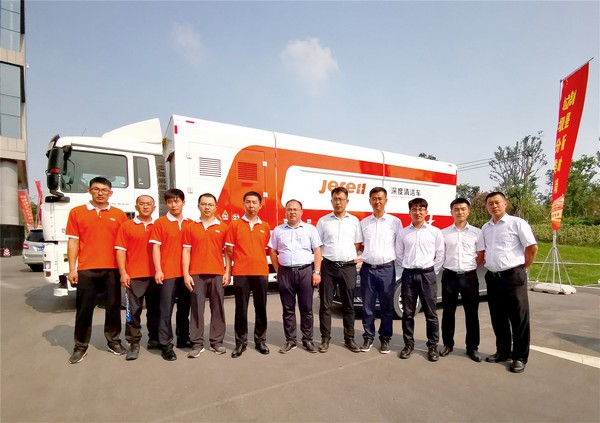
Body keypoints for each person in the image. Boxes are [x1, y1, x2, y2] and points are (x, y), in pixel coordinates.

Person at [66, 176, 128, 364]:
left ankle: (114, 342)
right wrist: (72, 269)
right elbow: (73, 242)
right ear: (89, 191)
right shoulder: (77, 212)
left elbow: (124, 245)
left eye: (104, 190)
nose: (100, 193)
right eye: (96, 189)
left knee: (113, 308)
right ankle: (80, 346)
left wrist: (125, 270)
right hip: (87, 269)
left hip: (112, 269)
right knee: (84, 310)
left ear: (110, 193)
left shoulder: (119, 215)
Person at [482, 191, 538, 373]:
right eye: (490, 203)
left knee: (518, 318)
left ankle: (520, 357)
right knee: (498, 318)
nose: (494, 206)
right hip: (493, 277)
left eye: (497, 202)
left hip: (513, 276)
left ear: (505, 203)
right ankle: (503, 352)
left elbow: (532, 247)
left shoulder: (517, 223)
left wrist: (523, 267)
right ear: (486, 206)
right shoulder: (486, 228)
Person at [269, 199, 323, 354]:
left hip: (305, 272)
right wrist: (278, 270)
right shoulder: (278, 230)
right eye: (289, 209)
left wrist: (317, 272)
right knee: (288, 309)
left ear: (301, 212)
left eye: (295, 209)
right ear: (286, 212)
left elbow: (317, 250)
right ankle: (290, 340)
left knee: (306, 308)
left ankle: (308, 340)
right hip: (285, 273)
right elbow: (272, 251)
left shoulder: (310, 229)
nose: (292, 212)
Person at [395, 197, 445, 362]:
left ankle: (432, 346)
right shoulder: (403, 233)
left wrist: (432, 271)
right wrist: (408, 265)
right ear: (409, 212)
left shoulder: (435, 232)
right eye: (414, 209)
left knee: (431, 313)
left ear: (426, 212)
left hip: (427, 275)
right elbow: (399, 254)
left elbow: (440, 254)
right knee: (408, 313)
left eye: (421, 209)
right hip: (409, 275)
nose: (418, 212)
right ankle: (408, 344)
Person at [182, 193, 230, 358]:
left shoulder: (223, 227)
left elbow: (227, 252)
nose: (207, 207)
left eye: (210, 204)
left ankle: (217, 342)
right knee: (196, 309)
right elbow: (186, 251)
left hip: (217, 273)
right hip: (196, 274)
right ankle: (197, 343)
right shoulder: (190, 227)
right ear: (198, 206)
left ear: (216, 207)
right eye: (203, 204)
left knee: (217, 308)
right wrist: (186, 274)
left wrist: (227, 272)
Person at [316, 186, 363, 353]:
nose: (338, 202)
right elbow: (318, 245)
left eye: (341, 199)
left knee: (349, 305)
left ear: (347, 201)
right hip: (328, 266)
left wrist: (346, 256)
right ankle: (325, 338)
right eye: (335, 199)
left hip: (348, 267)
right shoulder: (323, 221)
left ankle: (349, 338)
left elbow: (357, 244)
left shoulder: (354, 221)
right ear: (331, 201)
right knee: (325, 305)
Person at [225, 191, 271, 358]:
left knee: (261, 308)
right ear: (243, 204)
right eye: (248, 202)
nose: (251, 205)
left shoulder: (265, 226)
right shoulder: (234, 225)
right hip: (241, 272)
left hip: (260, 272)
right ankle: (240, 343)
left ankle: (260, 341)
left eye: (254, 202)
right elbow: (229, 250)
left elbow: (266, 249)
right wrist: (234, 267)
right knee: (241, 309)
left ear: (260, 205)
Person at [114, 195, 160, 361]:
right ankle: (134, 343)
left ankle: (154, 339)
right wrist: (123, 273)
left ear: (154, 208)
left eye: (149, 204)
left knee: (156, 310)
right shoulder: (127, 226)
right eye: (142, 204)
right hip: (134, 276)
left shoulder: (159, 225)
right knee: (133, 311)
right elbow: (120, 250)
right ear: (136, 207)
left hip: (156, 276)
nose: (145, 207)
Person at [439, 198, 485, 362]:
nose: (460, 212)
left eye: (463, 209)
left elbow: (480, 255)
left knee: (471, 313)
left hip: (469, 277)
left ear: (468, 211)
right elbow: (440, 254)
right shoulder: (443, 233)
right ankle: (447, 344)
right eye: (456, 209)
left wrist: (469, 268)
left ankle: (472, 348)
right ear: (451, 212)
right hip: (449, 277)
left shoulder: (477, 232)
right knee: (448, 312)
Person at [359, 187, 402, 354]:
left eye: (380, 198)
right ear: (370, 201)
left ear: (386, 200)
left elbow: (399, 245)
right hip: (368, 269)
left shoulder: (395, 222)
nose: (377, 201)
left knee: (386, 306)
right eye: (374, 199)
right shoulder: (364, 223)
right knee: (367, 306)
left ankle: (385, 339)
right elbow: (360, 246)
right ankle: (368, 337)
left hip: (386, 270)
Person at [149, 189, 191, 361]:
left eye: (177, 201)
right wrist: (158, 270)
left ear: (183, 202)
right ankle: (165, 344)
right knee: (165, 310)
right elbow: (155, 248)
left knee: (184, 308)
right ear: (166, 204)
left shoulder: (190, 223)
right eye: (170, 202)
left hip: (186, 274)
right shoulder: (160, 223)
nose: (174, 205)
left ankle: (183, 338)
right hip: (168, 273)